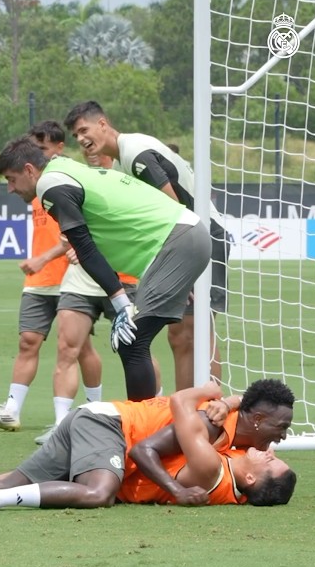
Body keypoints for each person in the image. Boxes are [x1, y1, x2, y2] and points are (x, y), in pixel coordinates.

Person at [0, 137, 210, 401]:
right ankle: (148, 425)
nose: (10, 189)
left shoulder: (50, 184)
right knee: (134, 341)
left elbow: (84, 249)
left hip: (178, 241)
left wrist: (121, 304)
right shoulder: (63, 167)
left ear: (29, 170)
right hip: (182, 239)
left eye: (11, 179)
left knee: (132, 342)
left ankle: (142, 431)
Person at [0, 382, 296, 511]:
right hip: (111, 426)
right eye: (281, 428)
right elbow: (143, 450)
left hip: (102, 425)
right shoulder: (210, 427)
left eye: (272, 460)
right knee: (98, 492)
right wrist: (215, 394)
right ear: (259, 420)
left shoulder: (230, 454)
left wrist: (226, 397)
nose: (279, 442)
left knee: (4, 481)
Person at [65, 101, 228, 389]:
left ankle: (207, 412)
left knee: (196, 332)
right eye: (75, 136)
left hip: (202, 236)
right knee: (180, 336)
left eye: (83, 130)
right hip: (191, 239)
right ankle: (188, 412)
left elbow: (174, 207)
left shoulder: (135, 152)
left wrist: (182, 269)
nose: (80, 139)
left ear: (103, 123)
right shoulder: (122, 162)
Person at [0, 121, 104, 435]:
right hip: (39, 280)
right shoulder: (31, 189)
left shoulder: (64, 179)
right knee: (28, 342)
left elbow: (81, 228)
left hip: (70, 278)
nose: (40, 152)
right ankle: (12, 409)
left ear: (58, 147)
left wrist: (58, 254)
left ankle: (93, 410)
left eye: (43, 145)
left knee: (77, 348)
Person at [116, 381, 297, 506]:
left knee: (99, 494)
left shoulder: (210, 462)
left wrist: (211, 392)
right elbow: (257, 403)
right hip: (123, 430)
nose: (271, 452)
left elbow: (180, 400)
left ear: (251, 478)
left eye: (270, 460)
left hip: (120, 428)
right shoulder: (243, 486)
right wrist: (228, 403)